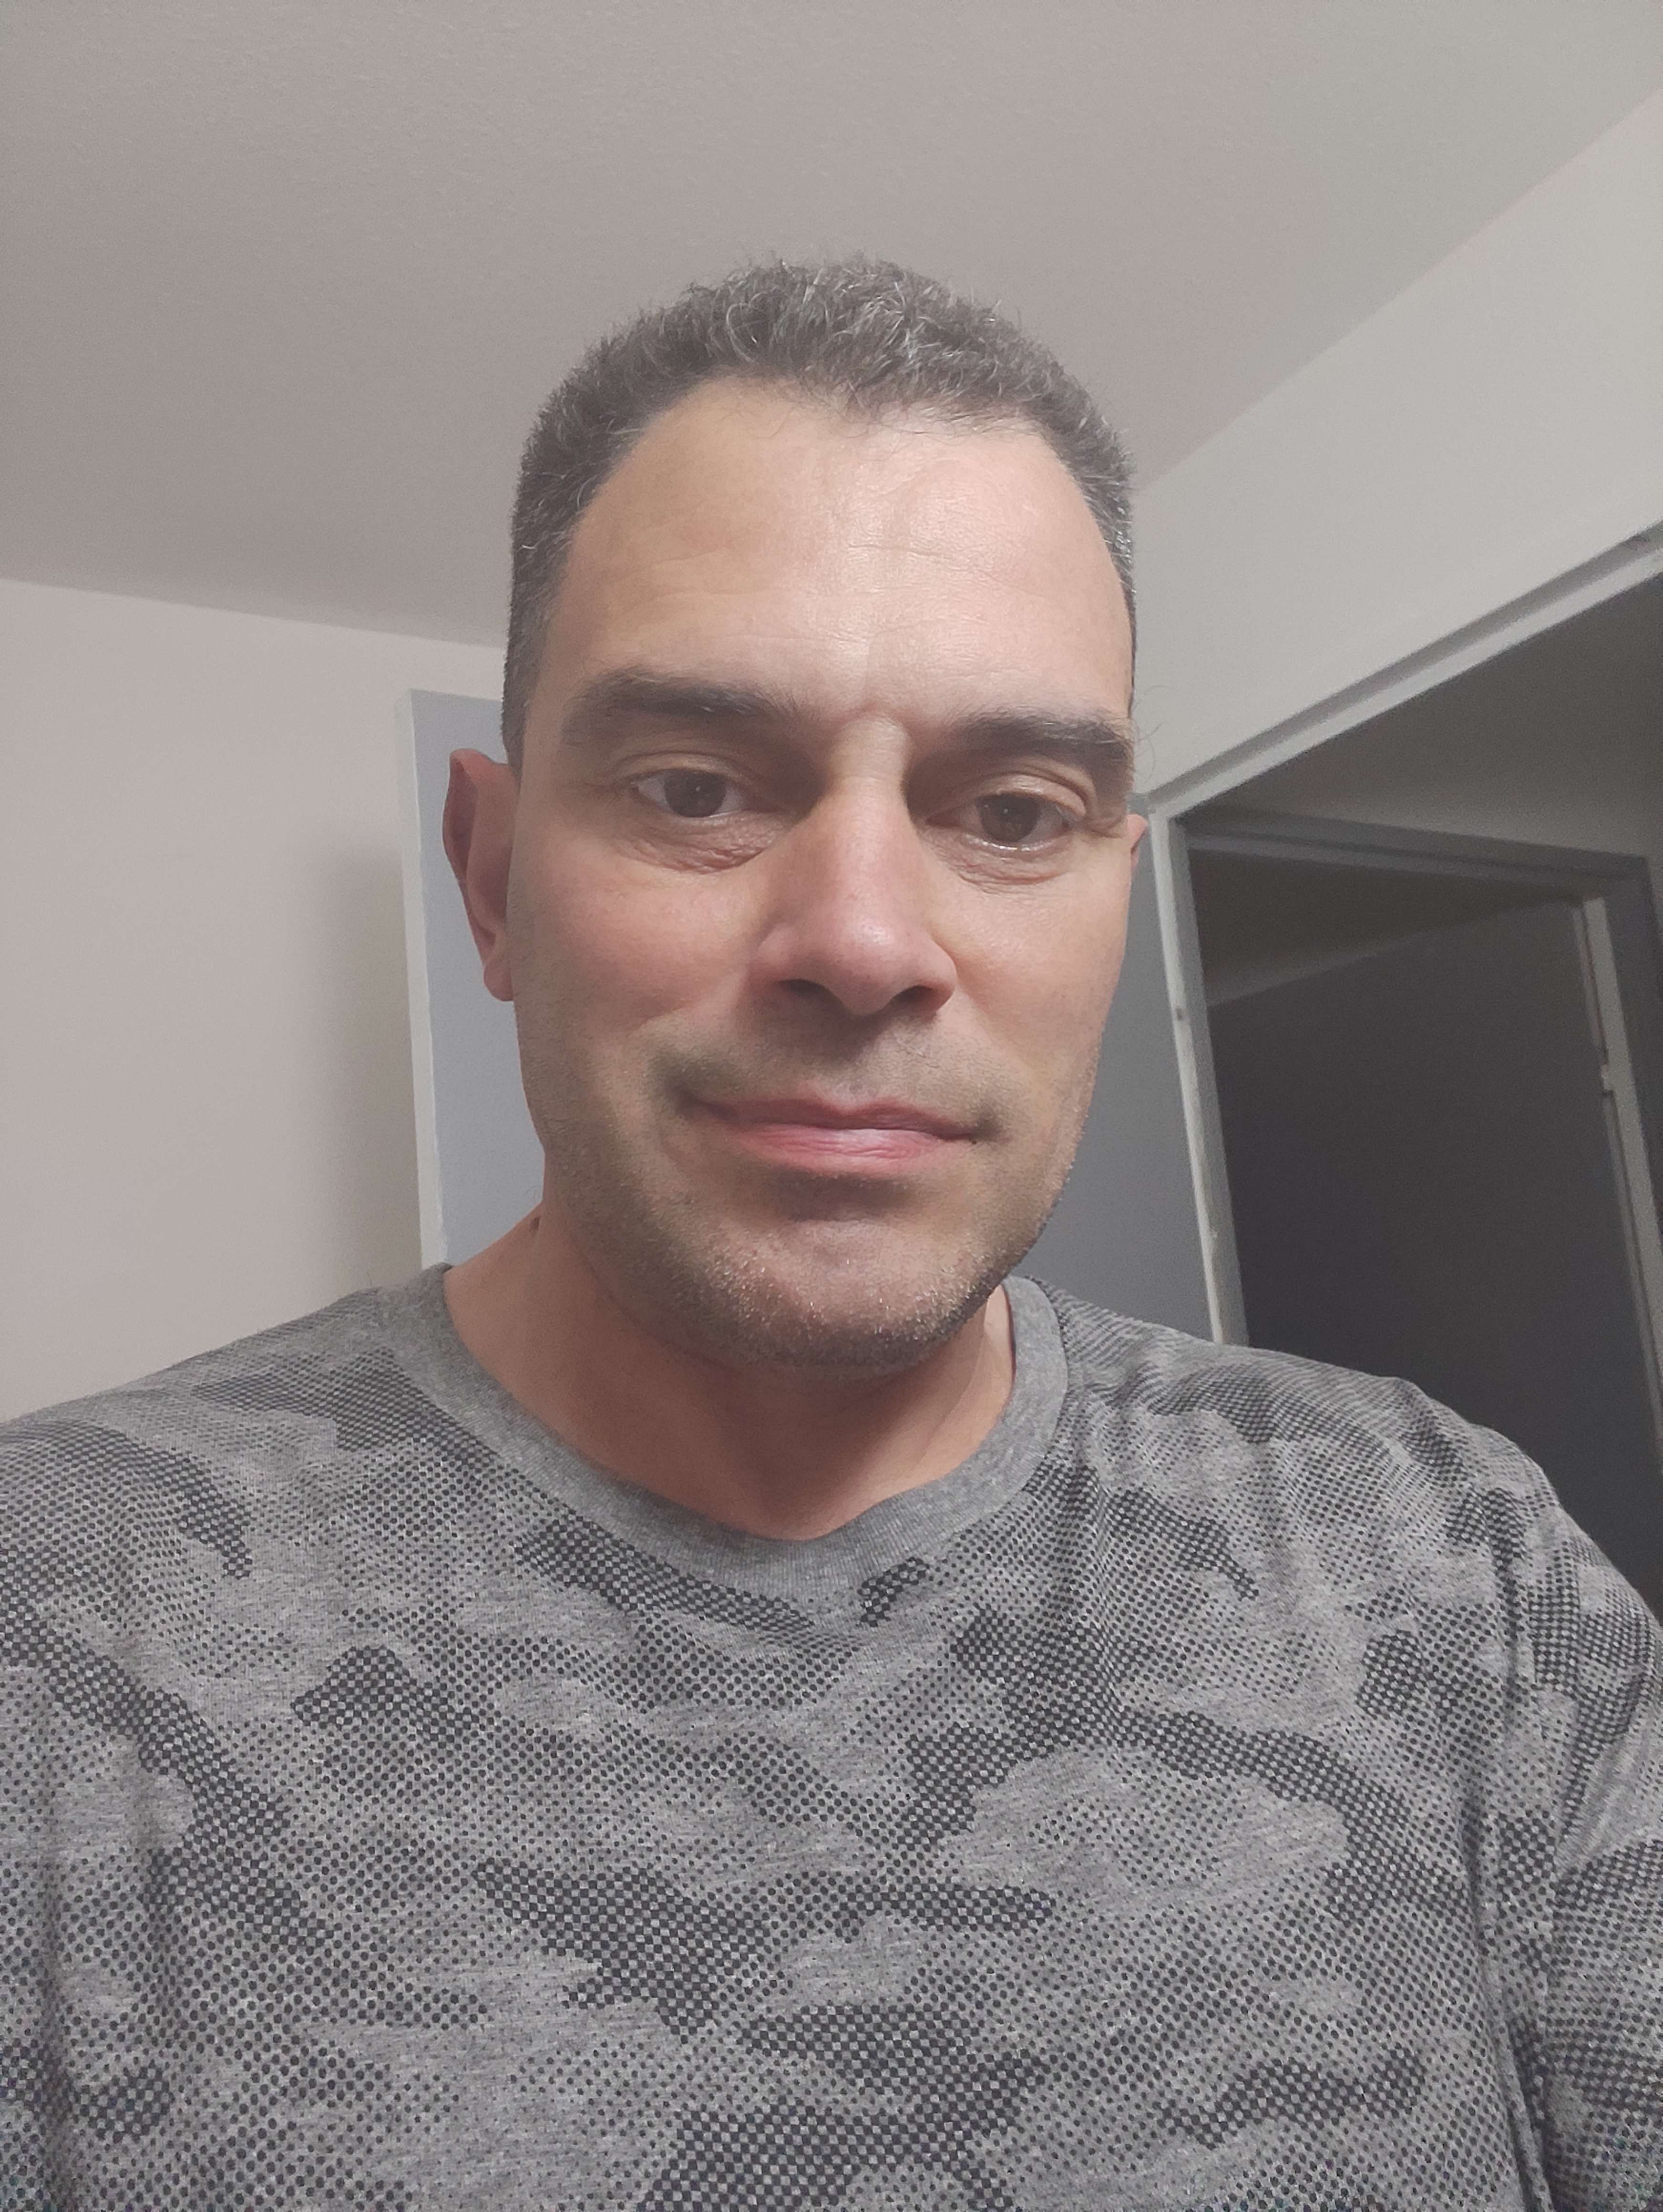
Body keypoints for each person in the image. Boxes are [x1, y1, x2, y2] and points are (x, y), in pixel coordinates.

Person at [3, 260, 1658, 2212]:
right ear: (494, 880)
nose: (864, 941)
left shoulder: (1453, 1574)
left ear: (1113, 902)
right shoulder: (58, 1631)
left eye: (1013, 811)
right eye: (697, 788)